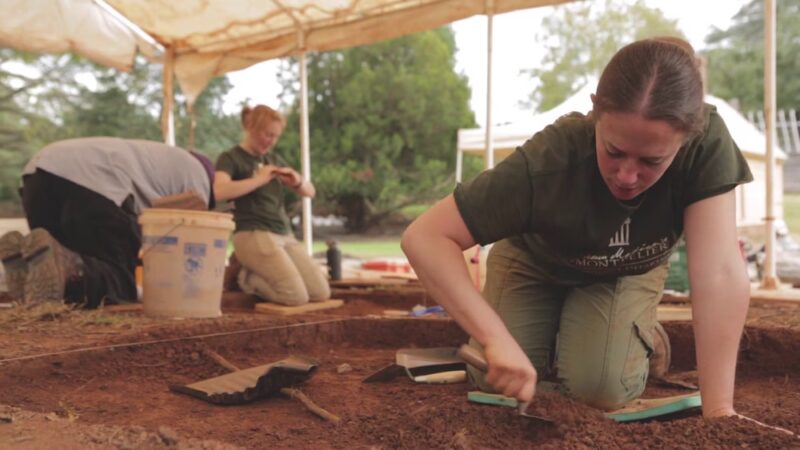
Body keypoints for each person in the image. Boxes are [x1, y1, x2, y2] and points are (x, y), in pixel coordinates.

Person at [402, 37, 784, 429]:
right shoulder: (550, 158)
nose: (627, 176)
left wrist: (719, 410)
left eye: (651, 160)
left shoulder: (706, 146)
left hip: (626, 265)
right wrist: (495, 338)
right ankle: (563, 333)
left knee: (601, 388)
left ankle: (640, 338)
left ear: (688, 137)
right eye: (614, 151)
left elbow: (720, 272)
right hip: (535, 262)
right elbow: (426, 237)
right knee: (495, 381)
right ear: (595, 113)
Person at [0, 137, 216, 308]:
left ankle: (26, 265)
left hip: (37, 174)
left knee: (50, 260)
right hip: (95, 180)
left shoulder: (159, 160)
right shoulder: (200, 176)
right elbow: (187, 245)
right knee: (119, 281)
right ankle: (69, 264)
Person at [214, 105, 330, 305]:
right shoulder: (231, 158)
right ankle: (244, 277)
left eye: (275, 136)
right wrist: (259, 179)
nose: (271, 141)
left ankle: (254, 272)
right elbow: (219, 191)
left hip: (283, 233)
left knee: (320, 292)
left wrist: (297, 182)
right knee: (295, 296)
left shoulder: (273, 159)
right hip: (253, 232)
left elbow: (310, 192)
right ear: (251, 127)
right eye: (267, 134)